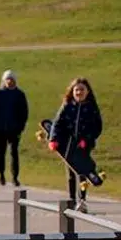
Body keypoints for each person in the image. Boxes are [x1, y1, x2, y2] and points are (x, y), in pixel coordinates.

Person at [47, 77, 103, 213]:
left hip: (84, 145)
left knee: (82, 170)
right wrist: (53, 139)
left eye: (82, 90)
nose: (79, 92)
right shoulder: (67, 106)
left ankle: (82, 201)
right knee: (71, 171)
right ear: (72, 92)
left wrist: (87, 140)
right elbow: (57, 123)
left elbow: (97, 127)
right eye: (76, 90)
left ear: (87, 91)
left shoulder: (91, 108)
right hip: (68, 143)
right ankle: (71, 200)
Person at [0, 69, 30, 187]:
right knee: (1, 153)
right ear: (4, 81)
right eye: (8, 79)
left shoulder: (20, 95)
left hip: (14, 130)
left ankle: (15, 177)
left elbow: (24, 112)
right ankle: (1, 174)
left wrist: (21, 127)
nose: (10, 82)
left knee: (14, 153)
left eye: (12, 79)